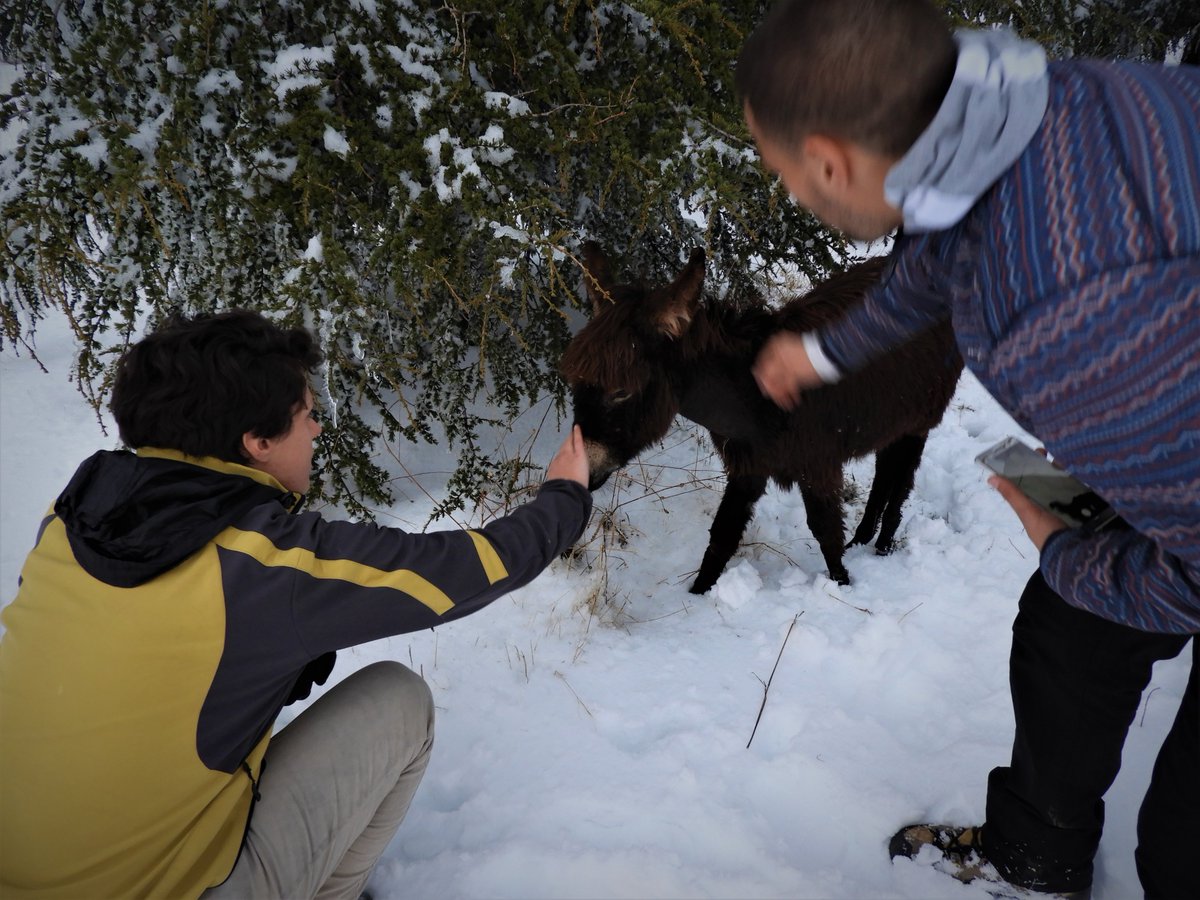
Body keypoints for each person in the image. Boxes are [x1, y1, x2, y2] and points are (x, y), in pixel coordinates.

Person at [736, 1, 1199, 897]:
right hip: (1172, 429)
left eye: (783, 171)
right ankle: (1036, 856)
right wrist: (827, 350)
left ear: (828, 160)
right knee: (1069, 637)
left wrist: (1065, 549)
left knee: (1181, 845)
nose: (791, 192)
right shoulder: (1035, 101)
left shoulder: (1053, 315)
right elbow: (941, 244)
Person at [0, 310, 592, 899]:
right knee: (401, 701)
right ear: (256, 442)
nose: (317, 431)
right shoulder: (260, 563)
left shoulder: (71, 519)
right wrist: (565, 495)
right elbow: (464, 571)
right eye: (309, 416)